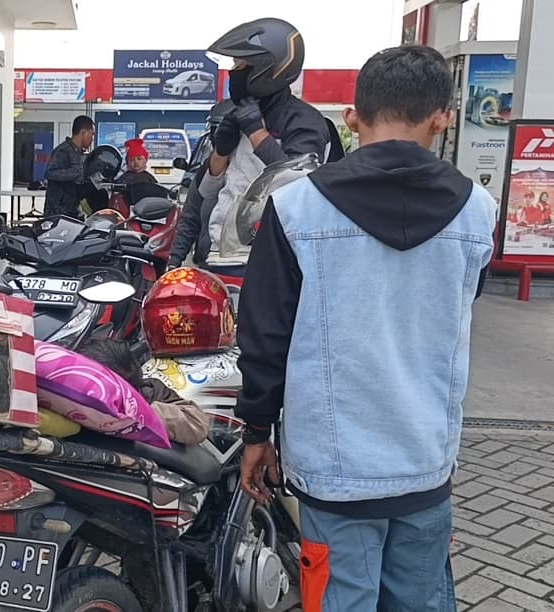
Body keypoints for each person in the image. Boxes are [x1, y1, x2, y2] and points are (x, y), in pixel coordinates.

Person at [236, 46, 496, 611]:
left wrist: (256, 431)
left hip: (333, 469)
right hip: (425, 461)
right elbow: (461, 304)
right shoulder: (479, 211)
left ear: (352, 119)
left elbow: (263, 338)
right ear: (442, 118)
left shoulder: (296, 208)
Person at [198, 17, 331, 277]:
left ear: (267, 68)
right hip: (221, 251)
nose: (233, 71)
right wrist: (221, 151)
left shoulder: (303, 121)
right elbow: (206, 191)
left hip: (272, 258)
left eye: (240, 64)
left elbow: (301, 188)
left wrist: (257, 133)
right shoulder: (239, 114)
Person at [169, 99, 235, 268]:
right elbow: (190, 219)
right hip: (207, 265)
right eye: (217, 132)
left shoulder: (260, 174)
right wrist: (174, 262)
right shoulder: (206, 172)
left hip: (244, 269)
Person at [44, 115, 95, 219]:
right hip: (58, 212)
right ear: (83, 133)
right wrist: (77, 172)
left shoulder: (79, 154)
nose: (92, 139)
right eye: (91, 134)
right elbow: (50, 173)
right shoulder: (63, 151)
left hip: (72, 211)